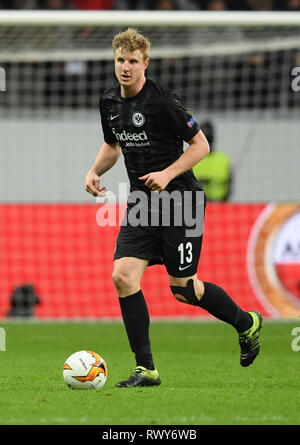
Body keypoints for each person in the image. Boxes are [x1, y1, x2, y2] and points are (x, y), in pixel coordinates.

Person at [85, 28, 263, 388]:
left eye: (133, 61)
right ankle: (146, 369)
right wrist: (93, 170)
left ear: (145, 64)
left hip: (180, 202)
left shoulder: (163, 102)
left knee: (183, 289)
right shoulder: (109, 102)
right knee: (122, 277)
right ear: (114, 61)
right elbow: (112, 146)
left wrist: (167, 174)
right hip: (142, 204)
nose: (125, 67)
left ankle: (246, 323)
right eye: (120, 60)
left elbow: (201, 146)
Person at [192, 120, 232, 201]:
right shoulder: (189, 156)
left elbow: (229, 185)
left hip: (219, 204)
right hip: (195, 205)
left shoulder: (223, 159)